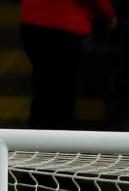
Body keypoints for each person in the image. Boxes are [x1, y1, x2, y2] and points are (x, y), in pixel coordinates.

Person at [20, 0, 116, 129]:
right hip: (65, 27)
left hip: (32, 23)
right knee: (63, 88)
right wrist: (109, 15)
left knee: (43, 83)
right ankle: (59, 136)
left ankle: (37, 134)